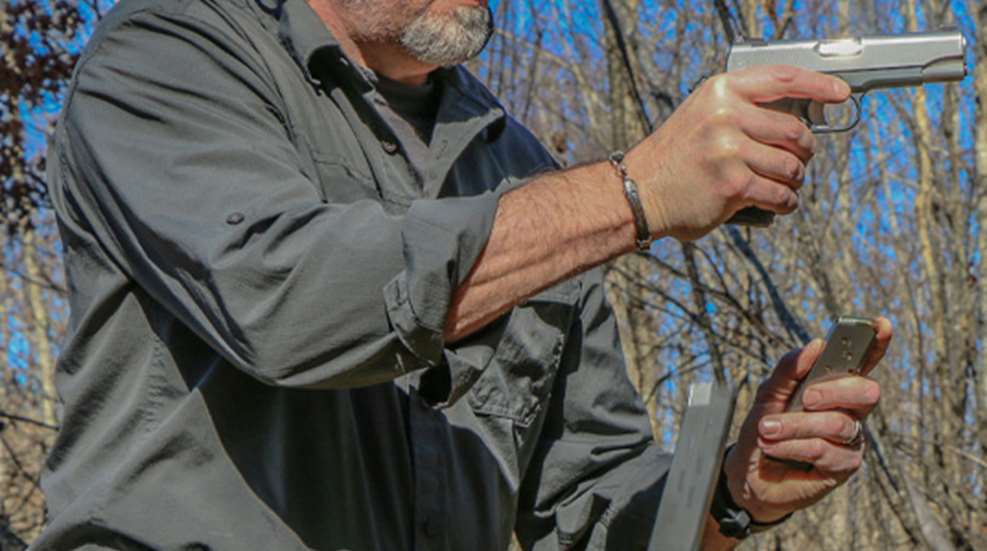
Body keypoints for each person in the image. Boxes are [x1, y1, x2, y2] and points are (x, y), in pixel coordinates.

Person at [37, 0, 891, 549]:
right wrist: (632, 193)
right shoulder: (171, 53)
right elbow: (288, 299)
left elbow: (589, 496)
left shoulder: (518, 161)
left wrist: (735, 491)